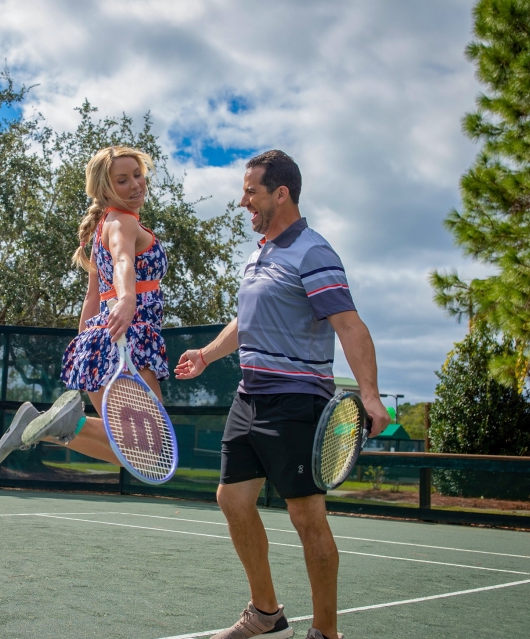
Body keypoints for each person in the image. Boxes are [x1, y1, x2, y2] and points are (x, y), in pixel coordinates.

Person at [174, 150, 390, 639]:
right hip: (249, 398)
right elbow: (245, 322)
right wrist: (208, 354)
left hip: (297, 402)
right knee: (232, 499)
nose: (242, 200)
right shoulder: (260, 254)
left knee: (305, 516)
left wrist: (371, 395)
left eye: (251, 191)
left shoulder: (314, 253)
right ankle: (266, 614)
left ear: (281, 193)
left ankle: (326, 633)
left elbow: (350, 326)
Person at [0, 145, 169, 466]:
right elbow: (123, 261)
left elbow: (92, 297)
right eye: (122, 180)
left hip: (99, 341)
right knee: (152, 444)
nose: (135, 184)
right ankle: (68, 422)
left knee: (137, 452)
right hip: (128, 335)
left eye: (138, 175)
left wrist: (82, 350)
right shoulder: (122, 223)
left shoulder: (101, 228)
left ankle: (43, 426)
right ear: (105, 189)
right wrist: (128, 298)